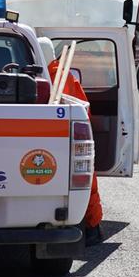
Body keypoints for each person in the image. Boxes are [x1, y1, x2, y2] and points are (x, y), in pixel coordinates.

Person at [40, 38, 103, 245]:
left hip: (45, 139)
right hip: (70, 136)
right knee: (85, 182)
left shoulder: (39, 77)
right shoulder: (63, 75)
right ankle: (92, 228)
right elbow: (85, 109)